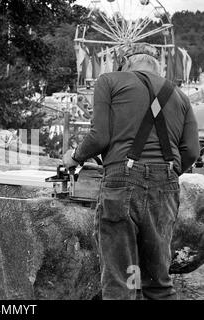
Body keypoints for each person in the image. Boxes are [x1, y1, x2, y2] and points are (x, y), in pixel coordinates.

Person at [63, 43, 200, 300]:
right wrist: (165, 173)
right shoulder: (179, 95)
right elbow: (191, 150)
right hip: (166, 183)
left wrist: (74, 157)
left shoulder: (110, 80)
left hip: (122, 183)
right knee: (158, 282)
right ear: (155, 64)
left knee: (120, 282)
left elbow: (99, 137)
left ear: (124, 61)